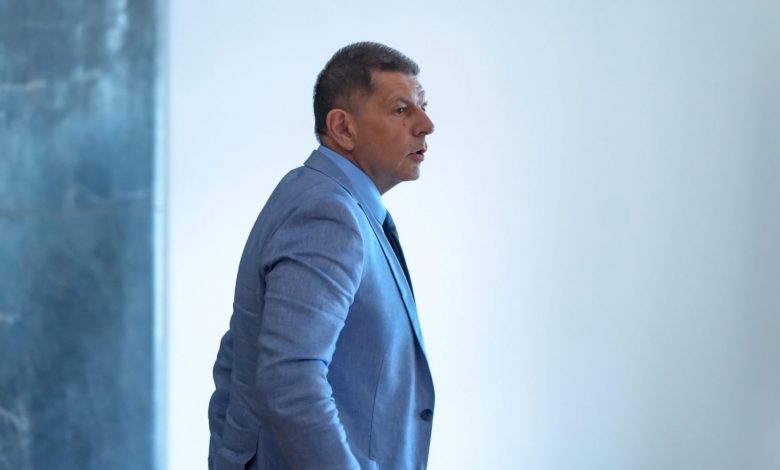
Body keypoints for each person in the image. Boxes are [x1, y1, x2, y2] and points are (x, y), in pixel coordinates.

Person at [207, 42, 436, 470]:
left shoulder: (319, 197)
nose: (426, 125)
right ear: (343, 128)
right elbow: (289, 377)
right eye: (401, 110)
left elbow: (236, 358)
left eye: (423, 106)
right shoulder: (328, 214)